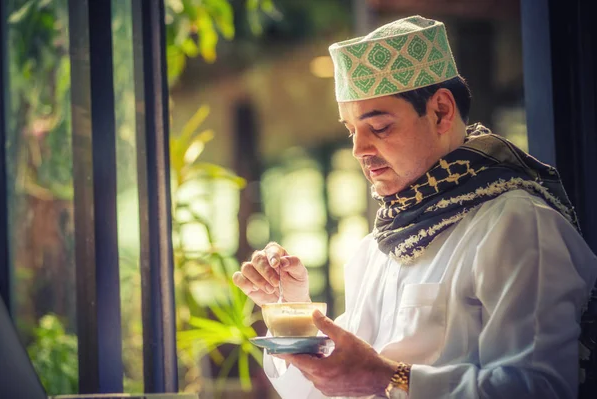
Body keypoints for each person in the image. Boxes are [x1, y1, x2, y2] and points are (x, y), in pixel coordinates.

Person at [232, 15, 597, 398]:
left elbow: (542, 388)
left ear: (440, 111)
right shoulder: (377, 246)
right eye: (351, 130)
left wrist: (389, 376)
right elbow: (330, 389)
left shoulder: (519, 225)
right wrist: (292, 311)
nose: (359, 149)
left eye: (380, 127)